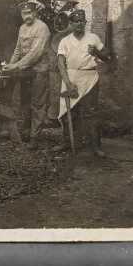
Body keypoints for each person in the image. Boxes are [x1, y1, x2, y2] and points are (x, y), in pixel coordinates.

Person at [55, 9, 110, 157]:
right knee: (68, 112)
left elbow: (107, 55)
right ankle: (67, 142)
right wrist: (68, 83)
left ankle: (95, 146)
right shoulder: (65, 41)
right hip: (71, 77)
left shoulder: (93, 38)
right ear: (71, 24)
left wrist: (97, 53)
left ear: (85, 23)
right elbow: (60, 63)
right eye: (75, 22)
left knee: (91, 113)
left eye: (82, 21)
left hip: (90, 77)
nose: (79, 24)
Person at [3, 0, 51, 149]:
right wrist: (8, 66)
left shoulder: (42, 28)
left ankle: (34, 138)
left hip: (39, 71)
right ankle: (25, 133)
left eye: (30, 13)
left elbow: (35, 54)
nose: (27, 16)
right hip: (26, 71)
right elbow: (18, 49)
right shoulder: (22, 28)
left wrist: (15, 66)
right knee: (25, 102)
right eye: (24, 13)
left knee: (37, 105)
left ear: (35, 13)